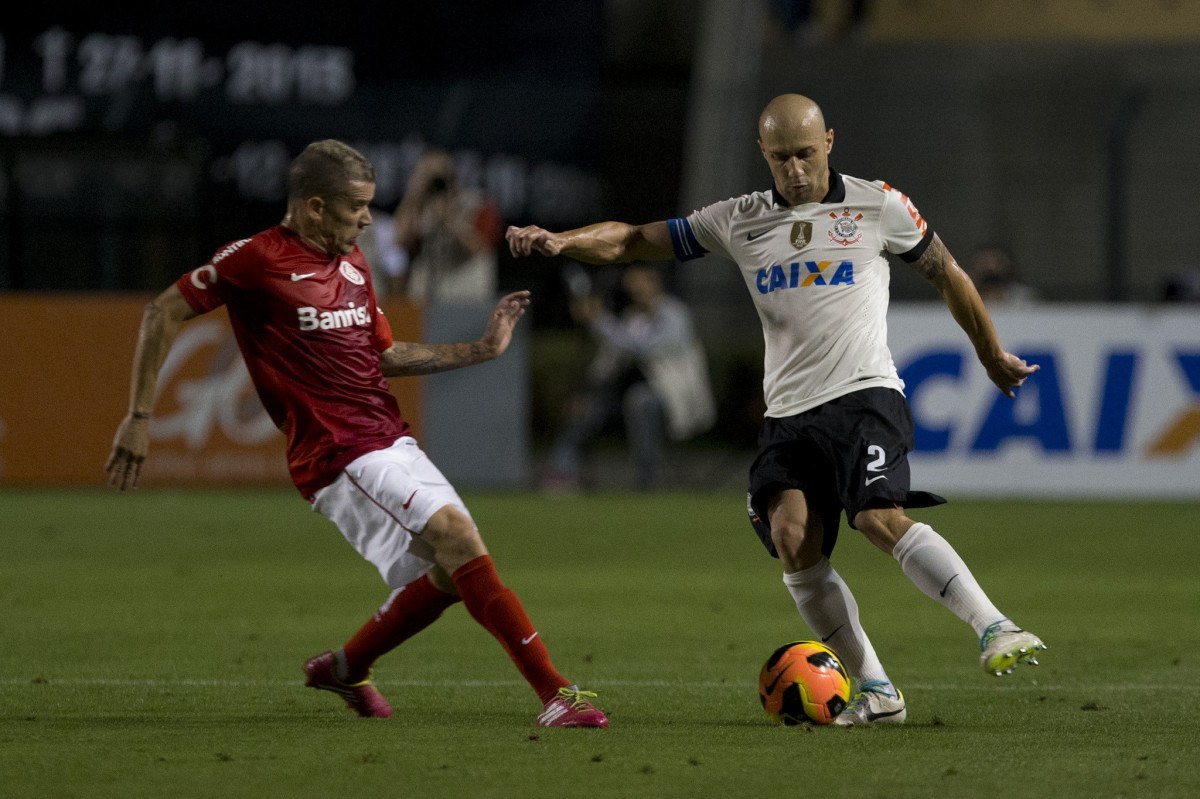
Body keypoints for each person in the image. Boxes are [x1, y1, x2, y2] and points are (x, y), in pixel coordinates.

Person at [507, 94, 1047, 726]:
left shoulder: (878, 205)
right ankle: (877, 690)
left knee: (877, 518)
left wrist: (990, 354)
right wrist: (560, 241)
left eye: (807, 154)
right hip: (788, 415)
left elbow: (949, 274)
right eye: (782, 157)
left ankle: (994, 626)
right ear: (763, 155)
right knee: (793, 542)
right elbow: (631, 241)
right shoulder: (737, 219)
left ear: (830, 143)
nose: (795, 170)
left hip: (864, 394)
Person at [105, 139, 607, 728]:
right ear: (314, 207)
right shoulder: (257, 259)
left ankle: (345, 667)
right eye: (357, 206)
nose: (369, 218)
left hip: (389, 438)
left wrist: (482, 348)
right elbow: (161, 311)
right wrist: (139, 418)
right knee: (458, 538)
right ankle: (556, 694)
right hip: (335, 453)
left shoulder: (354, 263)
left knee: (450, 571)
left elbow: (384, 356)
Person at [543, 262, 716, 492]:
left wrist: (598, 319)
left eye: (640, 282)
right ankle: (562, 471)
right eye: (632, 284)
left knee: (640, 401)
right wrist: (586, 391)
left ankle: (646, 478)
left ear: (655, 281)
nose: (636, 289)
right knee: (586, 406)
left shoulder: (674, 314)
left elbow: (641, 348)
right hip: (627, 394)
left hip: (673, 397)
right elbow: (610, 360)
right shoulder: (631, 317)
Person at [392, 149, 503, 305]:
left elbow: (482, 249)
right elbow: (397, 241)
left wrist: (449, 219)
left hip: (466, 288)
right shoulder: (420, 207)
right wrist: (414, 194)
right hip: (429, 293)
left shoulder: (477, 203)